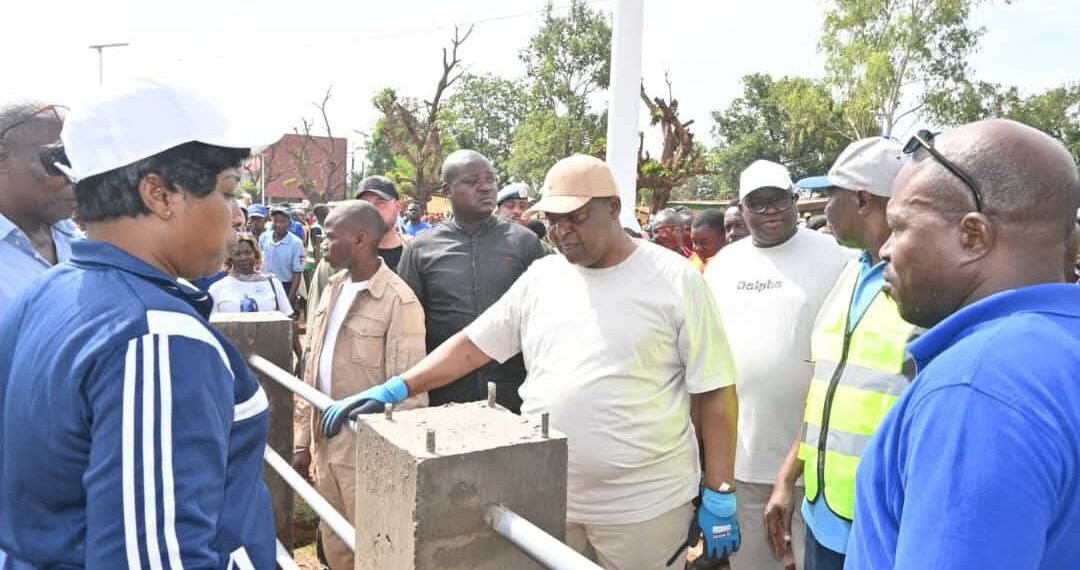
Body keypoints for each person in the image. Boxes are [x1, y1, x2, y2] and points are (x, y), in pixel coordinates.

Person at [321, 155, 742, 570]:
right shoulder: (544, 277)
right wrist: (398, 387)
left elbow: (716, 391)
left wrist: (720, 491)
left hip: (643, 509)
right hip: (546, 494)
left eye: (575, 218)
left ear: (613, 208)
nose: (562, 232)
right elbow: (471, 346)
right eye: (554, 221)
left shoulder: (675, 280)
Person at [0, 79, 276, 568]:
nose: (236, 216)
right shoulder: (157, 337)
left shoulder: (50, 291)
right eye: (227, 191)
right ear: (159, 195)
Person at [845, 121, 1080, 570]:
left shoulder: (976, 387)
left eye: (899, 227)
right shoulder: (1061, 342)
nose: (885, 249)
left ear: (972, 236)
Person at [764, 138, 917, 570]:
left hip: (883, 527)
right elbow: (828, 391)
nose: (823, 208)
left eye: (831, 195)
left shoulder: (922, 285)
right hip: (824, 514)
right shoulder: (852, 272)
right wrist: (788, 478)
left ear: (863, 200)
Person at [705, 159, 853, 570]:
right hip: (741, 459)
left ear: (795, 200)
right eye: (758, 202)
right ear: (741, 208)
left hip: (811, 462)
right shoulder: (724, 264)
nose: (770, 210)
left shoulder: (838, 259)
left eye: (779, 199)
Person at [293, 201, 428, 570]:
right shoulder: (333, 287)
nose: (321, 244)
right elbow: (312, 367)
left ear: (361, 239)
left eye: (329, 236)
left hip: (365, 454)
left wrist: (392, 465)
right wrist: (302, 441)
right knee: (336, 542)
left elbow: (410, 395)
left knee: (372, 548)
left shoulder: (398, 301)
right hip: (325, 443)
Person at [397, 150, 545, 412]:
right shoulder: (420, 249)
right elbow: (408, 327)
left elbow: (542, 318)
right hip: (444, 394)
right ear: (448, 190)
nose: (486, 187)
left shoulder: (525, 243)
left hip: (513, 395)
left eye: (490, 179)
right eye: (472, 181)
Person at [0, 102, 80, 317]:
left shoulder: (80, 240)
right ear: (2, 159)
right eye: (59, 160)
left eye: (80, 160)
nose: (75, 176)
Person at [209, 232, 293, 317]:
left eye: (248, 253)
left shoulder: (273, 284)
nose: (243, 258)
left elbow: (287, 318)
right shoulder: (217, 289)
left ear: (255, 255)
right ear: (230, 258)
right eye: (237, 254)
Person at [356, 175, 408, 271]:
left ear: (398, 206)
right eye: (364, 204)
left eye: (380, 203)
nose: (371, 209)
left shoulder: (418, 255)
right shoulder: (343, 256)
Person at [259, 204, 305, 303]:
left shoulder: (296, 243)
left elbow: (297, 273)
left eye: (283, 221)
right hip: (264, 284)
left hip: (285, 286)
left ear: (289, 222)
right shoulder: (264, 237)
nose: (279, 224)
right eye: (275, 221)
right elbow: (258, 262)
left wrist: (289, 299)